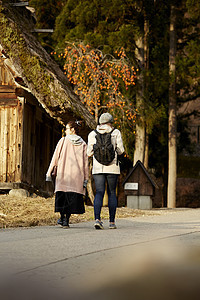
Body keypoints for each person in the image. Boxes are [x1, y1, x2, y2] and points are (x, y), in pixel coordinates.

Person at [46, 121, 88, 228]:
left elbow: (55, 157)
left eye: (67, 129)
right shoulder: (83, 144)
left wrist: (49, 171)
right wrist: (86, 178)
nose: (65, 131)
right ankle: (66, 220)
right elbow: (85, 164)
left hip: (64, 174)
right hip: (76, 176)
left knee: (62, 197)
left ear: (72, 130)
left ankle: (62, 217)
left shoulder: (63, 140)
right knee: (71, 198)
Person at [87, 112, 125, 229]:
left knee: (99, 192)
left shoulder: (93, 134)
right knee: (112, 192)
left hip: (98, 168)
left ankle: (97, 219)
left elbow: (89, 153)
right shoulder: (115, 132)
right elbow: (121, 151)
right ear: (110, 123)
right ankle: (112, 222)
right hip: (112, 167)